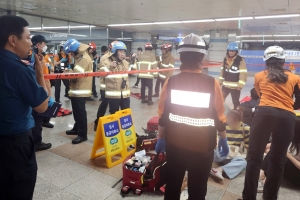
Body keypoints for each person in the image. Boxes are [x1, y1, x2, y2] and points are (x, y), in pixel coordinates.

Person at [155, 33, 228, 200]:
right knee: (198, 187)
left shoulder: (171, 82)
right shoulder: (212, 82)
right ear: (201, 57)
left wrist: (160, 137)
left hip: (175, 143)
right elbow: (219, 116)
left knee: (173, 184)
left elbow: (163, 114)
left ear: (181, 57)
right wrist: (223, 138)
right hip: (203, 146)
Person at [241, 46, 300, 200]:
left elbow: (260, 95)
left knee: (254, 158)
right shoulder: (295, 78)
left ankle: (248, 197)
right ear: (283, 61)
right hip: (287, 118)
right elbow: (299, 102)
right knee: (278, 160)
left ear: (266, 61)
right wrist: (286, 108)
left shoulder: (260, 75)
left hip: (264, 114)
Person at [0, 15, 49, 199]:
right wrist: (39, 73)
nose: (31, 43)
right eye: (28, 38)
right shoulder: (18, 70)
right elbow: (42, 107)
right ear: (13, 40)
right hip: (15, 146)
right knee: (19, 189)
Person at [63, 39, 93, 144]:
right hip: (77, 88)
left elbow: (76, 74)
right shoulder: (80, 56)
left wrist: (66, 72)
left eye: (71, 52)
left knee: (80, 113)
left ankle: (82, 134)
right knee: (76, 111)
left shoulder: (84, 58)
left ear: (75, 50)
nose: (70, 54)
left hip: (81, 89)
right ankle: (76, 128)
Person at [259, 119, 300, 192]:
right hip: (291, 168)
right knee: (275, 151)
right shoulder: (291, 140)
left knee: (282, 157)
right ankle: (262, 175)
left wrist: (287, 155)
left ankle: (263, 177)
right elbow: (273, 146)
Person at [210, 109, 250, 181]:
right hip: (220, 151)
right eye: (229, 120)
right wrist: (217, 143)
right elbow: (215, 135)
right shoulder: (223, 124)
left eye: (233, 121)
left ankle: (218, 170)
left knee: (243, 162)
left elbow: (248, 144)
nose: (230, 123)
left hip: (233, 154)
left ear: (238, 120)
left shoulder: (245, 128)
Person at [30, 34, 54, 151]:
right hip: (40, 91)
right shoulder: (39, 59)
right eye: (44, 44)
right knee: (38, 120)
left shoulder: (30, 57)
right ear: (38, 45)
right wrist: (49, 95)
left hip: (32, 91)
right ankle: (37, 143)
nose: (45, 46)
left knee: (34, 119)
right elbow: (44, 78)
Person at [100, 41, 130, 114]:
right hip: (114, 95)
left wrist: (134, 59)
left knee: (126, 115)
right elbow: (101, 74)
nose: (123, 53)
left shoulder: (125, 62)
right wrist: (110, 67)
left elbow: (134, 70)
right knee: (114, 115)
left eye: (124, 51)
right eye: (120, 51)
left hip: (125, 94)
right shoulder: (106, 61)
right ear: (115, 51)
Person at [94, 43, 117, 131]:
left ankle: (113, 125)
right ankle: (98, 122)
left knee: (113, 106)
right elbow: (102, 70)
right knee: (104, 104)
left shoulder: (118, 58)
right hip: (106, 86)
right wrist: (110, 66)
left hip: (116, 86)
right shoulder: (104, 58)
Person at [219, 42, 247, 109]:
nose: (231, 52)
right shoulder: (225, 59)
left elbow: (243, 73)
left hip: (235, 87)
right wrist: (220, 81)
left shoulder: (240, 60)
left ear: (236, 51)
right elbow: (222, 70)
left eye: (233, 51)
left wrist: (240, 86)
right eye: (230, 51)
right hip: (225, 85)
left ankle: (237, 116)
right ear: (227, 51)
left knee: (236, 103)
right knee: (220, 100)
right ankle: (219, 113)